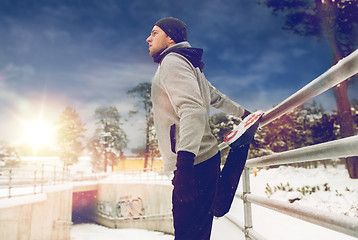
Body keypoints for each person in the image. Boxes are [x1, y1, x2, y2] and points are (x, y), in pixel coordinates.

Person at [146, 17, 259, 240]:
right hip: (205, 157)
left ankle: (240, 147)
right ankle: (240, 147)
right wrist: (244, 114)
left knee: (189, 234)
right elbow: (214, 97)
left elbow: (192, 109)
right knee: (214, 208)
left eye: (155, 33)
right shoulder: (188, 64)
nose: (148, 38)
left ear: (170, 38)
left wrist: (184, 166)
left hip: (192, 161)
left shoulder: (172, 63)